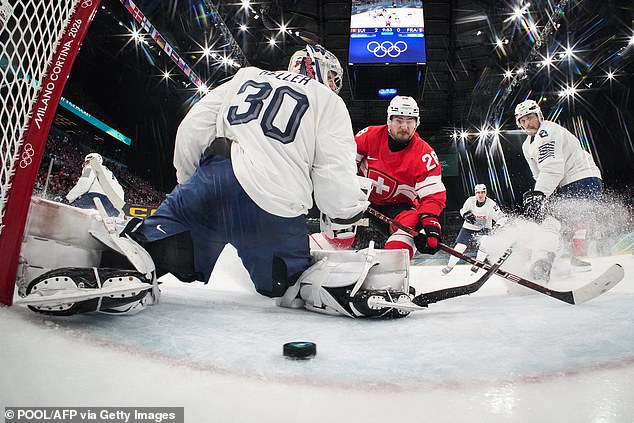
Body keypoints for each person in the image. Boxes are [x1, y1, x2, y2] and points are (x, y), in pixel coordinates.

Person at [126, 44, 369, 299]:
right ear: (318, 68)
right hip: (275, 205)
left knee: (147, 252)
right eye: (332, 77)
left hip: (214, 180)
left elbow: (191, 128)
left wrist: (188, 187)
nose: (333, 84)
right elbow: (333, 176)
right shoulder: (329, 101)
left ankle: (115, 268)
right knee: (288, 287)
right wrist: (344, 216)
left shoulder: (246, 76)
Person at [514, 99, 603, 275]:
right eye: (522, 121)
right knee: (557, 224)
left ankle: (543, 264)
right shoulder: (527, 145)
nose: (526, 123)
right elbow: (539, 175)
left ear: (539, 116)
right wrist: (538, 197)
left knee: (551, 222)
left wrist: (539, 195)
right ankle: (560, 261)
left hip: (582, 180)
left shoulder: (547, 131)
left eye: (530, 117)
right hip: (568, 183)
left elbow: (552, 167)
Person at [353, 95, 446, 259]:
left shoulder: (424, 154)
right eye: (399, 120)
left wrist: (430, 223)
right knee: (337, 222)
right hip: (360, 197)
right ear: (389, 121)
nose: (404, 126)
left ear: (417, 123)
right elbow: (344, 165)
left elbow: (432, 195)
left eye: (410, 121)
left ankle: (392, 274)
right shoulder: (369, 135)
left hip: (397, 208)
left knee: (411, 225)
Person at [442, 183, 507, 275]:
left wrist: (497, 225)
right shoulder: (470, 201)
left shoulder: (491, 204)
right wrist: (465, 215)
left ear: (486, 193)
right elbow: (462, 210)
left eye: (483, 192)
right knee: (459, 247)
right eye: (478, 192)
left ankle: (476, 266)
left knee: (484, 245)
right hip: (468, 228)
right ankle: (449, 266)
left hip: (484, 229)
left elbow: (502, 217)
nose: (480, 195)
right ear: (475, 193)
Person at [66, 153, 125, 217]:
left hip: (97, 198)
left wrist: (68, 198)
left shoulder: (90, 167)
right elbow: (120, 191)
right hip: (114, 205)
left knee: (72, 213)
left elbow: (84, 184)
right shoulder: (109, 173)